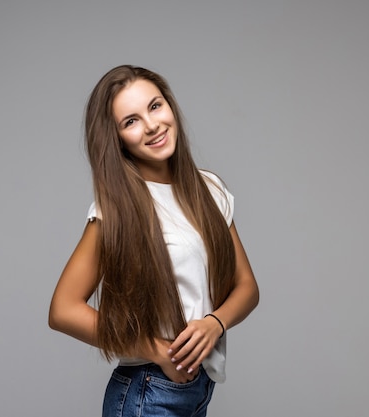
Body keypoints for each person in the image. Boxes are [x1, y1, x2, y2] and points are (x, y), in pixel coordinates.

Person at [48, 65, 259, 417]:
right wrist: (159, 351)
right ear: (116, 139)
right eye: (130, 121)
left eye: (155, 106)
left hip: (198, 389)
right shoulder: (116, 210)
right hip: (148, 394)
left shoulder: (210, 190)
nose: (151, 125)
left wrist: (214, 323)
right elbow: (63, 310)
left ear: (170, 107)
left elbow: (247, 286)